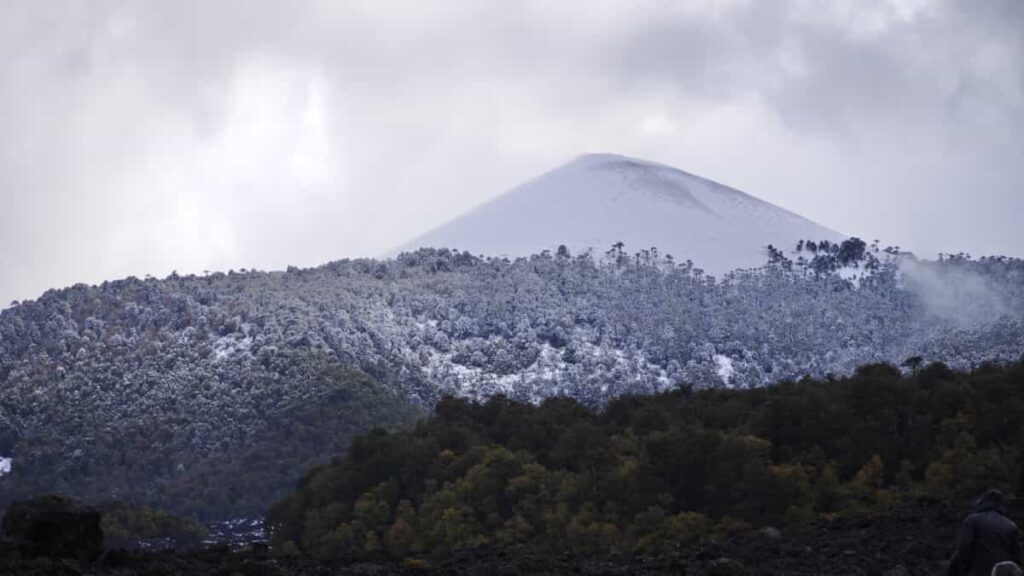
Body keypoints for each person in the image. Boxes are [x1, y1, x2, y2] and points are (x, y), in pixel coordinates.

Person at [947, 489, 1021, 576]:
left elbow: (963, 546)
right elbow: (1016, 558)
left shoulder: (972, 520)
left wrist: (963, 567)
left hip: (976, 571)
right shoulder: (1011, 526)